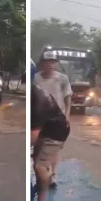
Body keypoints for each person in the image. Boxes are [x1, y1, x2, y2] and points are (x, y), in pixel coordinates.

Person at [33, 51, 72, 188]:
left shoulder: (62, 79)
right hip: (39, 119)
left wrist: (67, 116)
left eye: (52, 62)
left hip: (57, 119)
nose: (50, 64)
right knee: (38, 148)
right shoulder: (35, 78)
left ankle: (53, 175)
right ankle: (40, 176)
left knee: (53, 150)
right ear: (42, 63)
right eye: (47, 61)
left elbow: (68, 99)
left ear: (56, 63)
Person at [31, 80, 70, 201]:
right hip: (44, 127)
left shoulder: (38, 102)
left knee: (40, 166)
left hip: (56, 131)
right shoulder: (33, 93)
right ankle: (40, 184)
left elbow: (32, 137)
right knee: (35, 159)